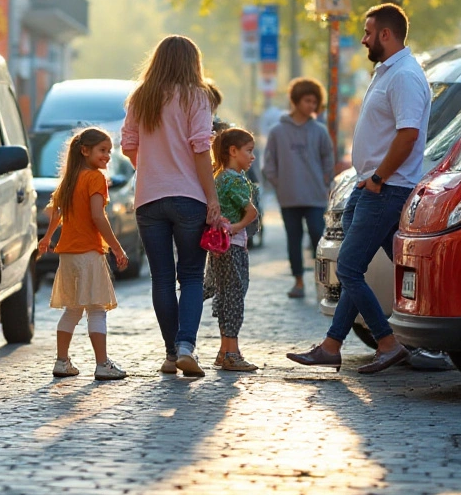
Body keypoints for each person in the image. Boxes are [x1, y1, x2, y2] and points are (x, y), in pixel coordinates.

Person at [287, 3, 429, 374]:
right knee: (369, 268)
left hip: (386, 189)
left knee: (348, 268)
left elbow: (408, 134)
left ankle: (387, 342)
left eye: (368, 33)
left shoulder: (405, 76)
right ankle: (332, 346)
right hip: (368, 187)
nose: (363, 39)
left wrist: (379, 177)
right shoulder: (387, 72)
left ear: (386, 34)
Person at [121, 35, 219, 377]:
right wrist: (213, 198)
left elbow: (128, 145)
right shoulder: (197, 96)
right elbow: (200, 149)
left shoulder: (140, 97)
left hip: (148, 199)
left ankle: (169, 354)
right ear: (193, 62)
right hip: (189, 197)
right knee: (191, 275)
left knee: (161, 278)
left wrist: (151, 172)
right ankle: (185, 347)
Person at [37, 127, 129, 381]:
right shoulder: (95, 178)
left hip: (67, 253)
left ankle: (62, 361)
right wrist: (117, 248)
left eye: (109, 152)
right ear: (85, 150)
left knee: (73, 309)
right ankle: (102, 364)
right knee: (97, 309)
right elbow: (98, 217)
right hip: (89, 251)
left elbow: (56, 214)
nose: (107, 156)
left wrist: (46, 239)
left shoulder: (69, 179)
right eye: (102, 150)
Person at [263, 77, 335, 299]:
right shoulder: (277, 132)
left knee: (318, 237)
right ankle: (299, 282)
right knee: (292, 240)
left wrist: (325, 183)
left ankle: (324, 284)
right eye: (307, 101)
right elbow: (269, 164)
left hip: (315, 197)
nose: (311, 106)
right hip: (289, 197)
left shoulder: (320, 131)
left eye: (315, 102)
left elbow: (328, 161)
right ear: (295, 101)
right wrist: (280, 185)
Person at [203, 127, 260, 372]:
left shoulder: (218, 177)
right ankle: (232, 352)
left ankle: (224, 350)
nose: (252, 157)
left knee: (225, 295)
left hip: (218, 248)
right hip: (232, 246)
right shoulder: (235, 179)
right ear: (233, 151)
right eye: (249, 151)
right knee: (235, 295)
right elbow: (251, 212)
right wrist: (235, 228)